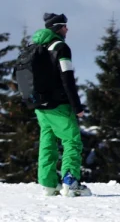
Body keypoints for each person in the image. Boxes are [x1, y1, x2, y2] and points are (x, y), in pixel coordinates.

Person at [30, 13, 90, 197]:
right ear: (58, 28)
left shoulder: (35, 46)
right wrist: (77, 107)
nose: (67, 29)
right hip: (59, 105)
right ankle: (70, 182)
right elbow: (67, 78)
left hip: (40, 105)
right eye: (64, 26)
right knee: (72, 140)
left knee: (47, 142)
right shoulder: (60, 47)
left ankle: (48, 184)